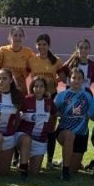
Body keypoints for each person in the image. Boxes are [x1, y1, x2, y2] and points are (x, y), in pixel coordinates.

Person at [28, 34, 63, 169]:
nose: (42, 47)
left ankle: (49, 160)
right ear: (36, 45)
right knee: (31, 125)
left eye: (45, 44)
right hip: (35, 97)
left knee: (50, 129)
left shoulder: (56, 60)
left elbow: (64, 77)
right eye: (39, 44)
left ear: (49, 46)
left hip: (50, 97)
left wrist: (54, 81)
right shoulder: (31, 60)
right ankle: (20, 157)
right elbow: (24, 74)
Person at [54, 68, 94, 181]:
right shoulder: (62, 95)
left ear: (83, 80)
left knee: (74, 169)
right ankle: (64, 170)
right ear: (69, 79)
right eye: (73, 78)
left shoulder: (88, 96)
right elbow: (53, 111)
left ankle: (68, 164)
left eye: (79, 78)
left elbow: (91, 115)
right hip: (64, 132)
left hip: (81, 134)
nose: (76, 81)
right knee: (69, 135)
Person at [16, 76, 56, 178]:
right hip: (24, 135)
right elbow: (15, 114)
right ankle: (23, 169)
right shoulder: (26, 100)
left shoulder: (49, 102)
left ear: (45, 89)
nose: (38, 89)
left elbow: (55, 114)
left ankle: (24, 163)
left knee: (34, 173)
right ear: (32, 88)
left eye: (41, 86)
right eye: (36, 86)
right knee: (27, 140)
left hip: (40, 140)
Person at [0, 26, 34, 91]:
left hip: (21, 88)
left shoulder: (28, 52)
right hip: (5, 87)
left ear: (23, 37)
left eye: (20, 36)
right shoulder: (3, 50)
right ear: (10, 37)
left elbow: (32, 68)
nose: (17, 38)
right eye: (15, 35)